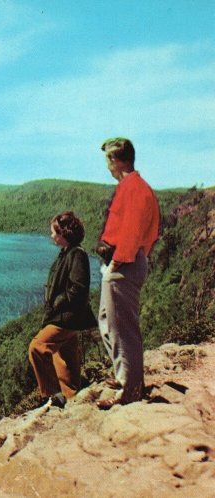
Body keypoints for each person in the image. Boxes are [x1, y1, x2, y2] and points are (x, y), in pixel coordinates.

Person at [95, 137, 160, 410]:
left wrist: (117, 263)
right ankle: (125, 374)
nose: (107, 168)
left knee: (123, 328)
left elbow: (132, 231)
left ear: (116, 160)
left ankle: (129, 390)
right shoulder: (135, 187)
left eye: (108, 162)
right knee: (107, 321)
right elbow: (152, 230)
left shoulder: (133, 188)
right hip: (130, 260)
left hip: (124, 263)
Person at [29, 211, 97, 408]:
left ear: (63, 233)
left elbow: (79, 288)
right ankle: (72, 399)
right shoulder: (68, 252)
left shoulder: (77, 255)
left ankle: (54, 395)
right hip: (66, 318)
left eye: (53, 232)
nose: (51, 236)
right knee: (65, 363)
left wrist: (58, 301)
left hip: (67, 318)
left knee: (37, 347)